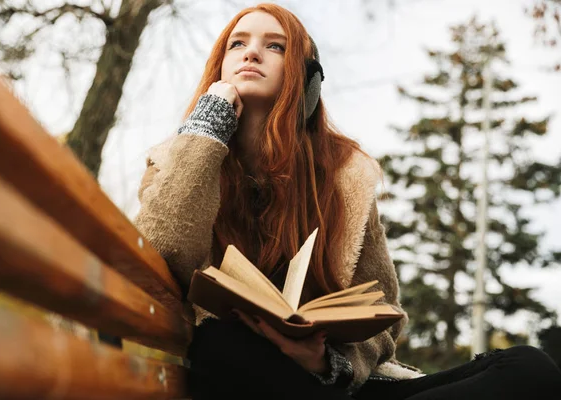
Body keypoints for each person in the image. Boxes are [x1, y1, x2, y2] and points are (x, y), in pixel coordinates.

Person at [133, 3, 561, 399]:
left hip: (335, 386)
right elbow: (162, 250)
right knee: (218, 344)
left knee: (529, 367)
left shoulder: (344, 176)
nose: (252, 53)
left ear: (305, 77)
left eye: (274, 46)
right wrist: (208, 127)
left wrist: (324, 361)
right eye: (238, 43)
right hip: (243, 371)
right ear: (219, 66)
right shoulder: (177, 159)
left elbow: (383, 311)